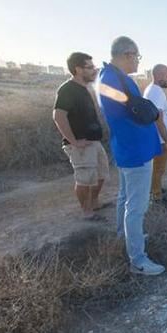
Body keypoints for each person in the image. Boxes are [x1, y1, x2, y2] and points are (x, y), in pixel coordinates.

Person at [96, 36, 165, 276]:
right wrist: (149, 109)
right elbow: (131, 108)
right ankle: (138, 260)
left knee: (125, 198)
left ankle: (123, 236)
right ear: (127, 54)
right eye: (137, 56)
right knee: (136, 206)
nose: (138, 61)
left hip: (131, 148)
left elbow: (131, 105)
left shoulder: (113, 77)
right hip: (134, 151)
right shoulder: (110, 80)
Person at [53, 52, 109, 220]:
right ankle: (87, 212)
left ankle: (94, 203)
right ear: (78, 69)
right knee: (85, 179)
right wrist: (74, 142)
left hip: (93, 142)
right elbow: (58, 116)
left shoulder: (85, 88)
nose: (94, 70)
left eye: (94, 67)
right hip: (81, 145)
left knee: (101, 175)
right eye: (90, 67)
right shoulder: (67, 89)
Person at [143, 64, 167, 200]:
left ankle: (156, 190)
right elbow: (158, 119)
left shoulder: (153, 90)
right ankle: (156, 197)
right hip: (158, 139)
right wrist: (166, 141)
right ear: (159, 75)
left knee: (157, 169)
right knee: (158, 169)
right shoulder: (155, 92)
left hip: (155, 137)